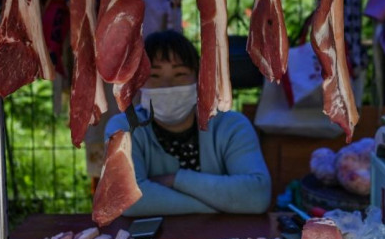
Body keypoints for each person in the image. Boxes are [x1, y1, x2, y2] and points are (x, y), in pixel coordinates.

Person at [104, 30, 271, 216]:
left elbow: (257, 195)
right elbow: (126, 199)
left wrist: (175, 179)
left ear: (199, 79)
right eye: (154, 76)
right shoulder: (124, 128)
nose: (167, 85)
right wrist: (220, 206)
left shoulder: (232, 126)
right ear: (138, 82)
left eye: (180, 74)